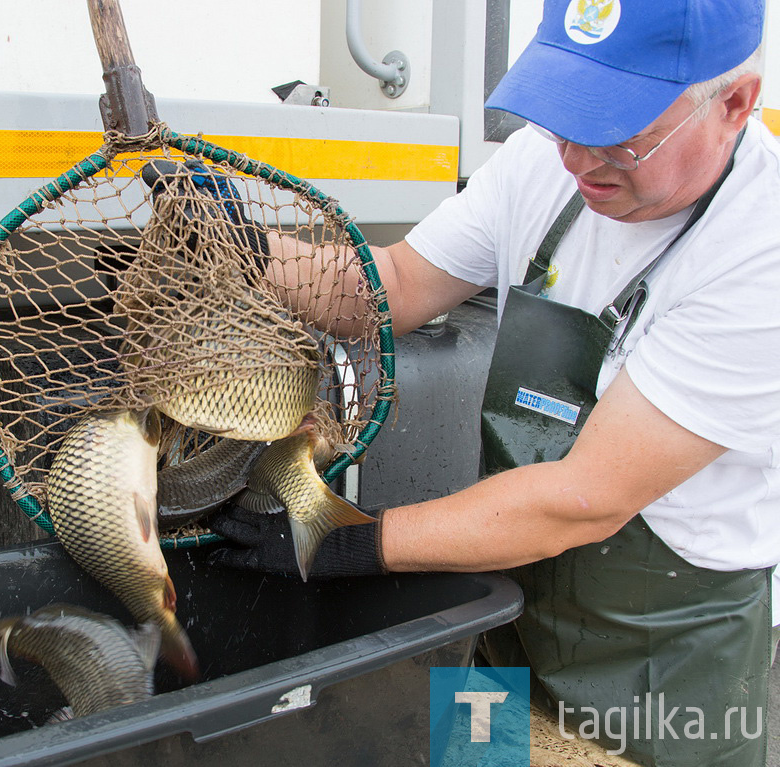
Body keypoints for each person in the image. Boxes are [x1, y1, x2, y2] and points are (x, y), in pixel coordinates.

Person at [205, 0, 779, 764]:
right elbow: (397, 285)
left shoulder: (758, 254)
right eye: (564, 116)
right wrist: (241, 244)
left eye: (619, 130)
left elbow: (585, 498)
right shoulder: (544, 164)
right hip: (502, 602)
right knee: (479, 756)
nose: (577, 158)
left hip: (660, 660)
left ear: (736, 103)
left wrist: (350, 543)